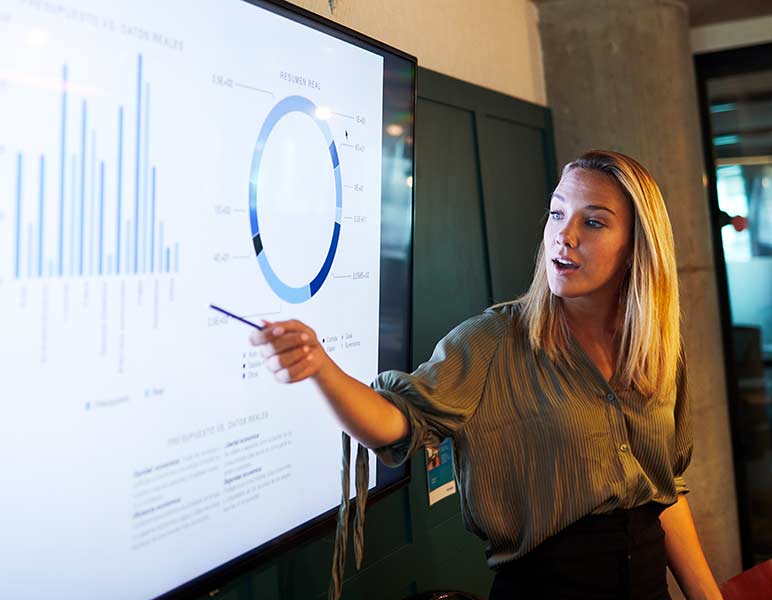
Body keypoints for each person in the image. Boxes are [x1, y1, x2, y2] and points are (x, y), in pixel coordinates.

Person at [249, 150, 723, 600]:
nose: (564, 235)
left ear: (637, 246)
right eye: (557, 214)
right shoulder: (494, 340)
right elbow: (395, 423)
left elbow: (666, 492)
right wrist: (320, 368)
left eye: (593, 222)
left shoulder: (656, 351)